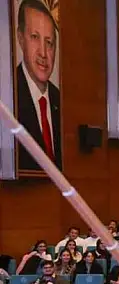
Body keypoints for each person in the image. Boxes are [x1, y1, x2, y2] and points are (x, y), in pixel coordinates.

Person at [15, 0, 62, 171]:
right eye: (35, 37)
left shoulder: (61, 101)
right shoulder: (8, 96)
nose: (43, 53)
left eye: (49, 42)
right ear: (21, 38)